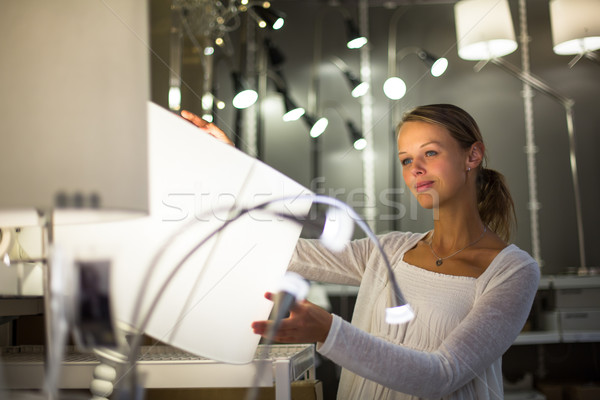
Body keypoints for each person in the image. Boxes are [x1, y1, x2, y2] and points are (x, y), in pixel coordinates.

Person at [183, 104, 540, 399]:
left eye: (430, 153)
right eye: (405, 160)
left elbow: (441, 375)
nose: (416, 169)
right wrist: (230, 169)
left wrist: (329, 331)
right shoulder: (389, 250)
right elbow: (286, 250)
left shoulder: (512, 271)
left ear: (472, 155)